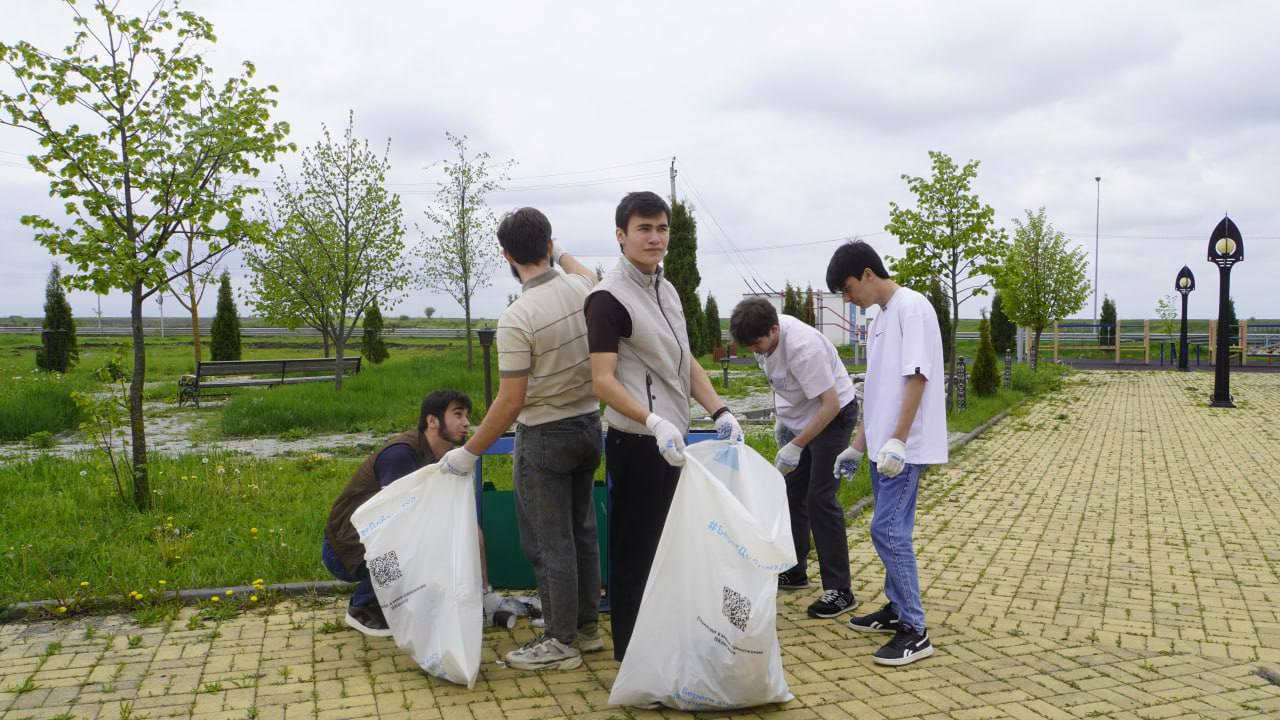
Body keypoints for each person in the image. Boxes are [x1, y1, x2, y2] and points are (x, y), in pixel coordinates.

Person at [440, 207, 603, 672]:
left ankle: (560, 641)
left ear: (506, 255)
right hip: (590, 426)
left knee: (551, 543)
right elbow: (585, 272)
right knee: (582, 533)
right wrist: (563, 251)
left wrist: (469, 452)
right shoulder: (582, 289)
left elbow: (510, 402)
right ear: (549, 245)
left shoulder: (518, 318)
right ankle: (586, 629)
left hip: (546, 436)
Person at [584, 190, 744, 662]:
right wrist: (651, 420)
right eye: (644, 229)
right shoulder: (607, 298)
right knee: (636, 554)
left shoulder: (666, 288)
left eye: (661, 228)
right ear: (621, 235)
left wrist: (719, 411)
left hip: (673, 444)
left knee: (672, 548)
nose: (655, 238)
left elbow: (682, 361)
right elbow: (602, 380)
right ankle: (633, 658)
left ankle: (667, 646)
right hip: (638, 444)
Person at [826, 241, 947, 666]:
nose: (848, 298)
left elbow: (917, 378)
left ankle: (916, 629)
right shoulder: (880, 318)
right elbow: (877, 392)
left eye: (847, 288)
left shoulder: (912, 307)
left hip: (904, 447)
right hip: (884, 448)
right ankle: (897, 609)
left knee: (888, 531)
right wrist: (857, 447)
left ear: (867, 273)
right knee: (893, 529)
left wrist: (897, 439)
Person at [322, 390, 502, 636]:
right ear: (432, 421)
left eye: (467, 415)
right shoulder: (401, 454)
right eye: (457, 414)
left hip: (374, 542)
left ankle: (398, 601)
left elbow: (466, 524)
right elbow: (395, 523)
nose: (466, 423)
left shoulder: (445, 460)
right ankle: (362, 606)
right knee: (422, 543)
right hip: (345, 548)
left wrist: (485, 592)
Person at [729, 297, 859, 619]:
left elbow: (829, 405)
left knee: (821, 497)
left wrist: (797, 446)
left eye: (758, 344)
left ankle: (840, 590)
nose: (755, 351)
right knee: (791, 495)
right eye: (749, 347)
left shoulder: (804, 348)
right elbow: (783, 385)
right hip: (800, 419)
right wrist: (784, 425)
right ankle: (795, 570)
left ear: (775, 329)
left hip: (833, 417)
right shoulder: (762, 337)